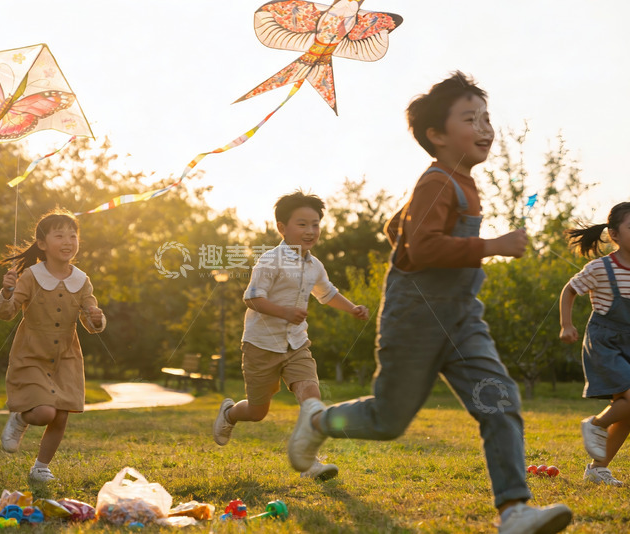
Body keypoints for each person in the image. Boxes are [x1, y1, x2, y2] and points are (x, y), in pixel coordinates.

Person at [286, 72, 572, 533]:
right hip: (415, 320)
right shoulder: (437, 181)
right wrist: (492, 245)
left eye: (486, 118)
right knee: (387, 420)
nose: (485, 128)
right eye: (469, 119)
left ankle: (514, 510)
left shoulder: (460, 183)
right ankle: (319, 422)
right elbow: (424, 250)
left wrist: (404, 230)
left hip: (462, 320)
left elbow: (400, 232)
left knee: (500, 401)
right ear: (437, 135)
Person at [212, 191, 370, 480]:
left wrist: (352, 308)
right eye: (302, 224)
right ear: (282, 227)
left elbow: (327, 293)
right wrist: (285, 312)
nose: (310, 231)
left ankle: (310, 462)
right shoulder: (270, 261)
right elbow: (253, 298)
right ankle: (230, 414)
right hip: (261, 344)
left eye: (316, 224)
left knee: (311, 395)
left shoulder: (315, 266)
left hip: (297, 343)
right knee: (258, 411)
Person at [0, 208, 105, 483]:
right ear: (43, 244)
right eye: (60, 235)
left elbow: (91, 318)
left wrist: (97, 318)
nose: (68, 241)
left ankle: (41, 467)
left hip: (66, 357)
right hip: (32, 354)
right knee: (44, 412)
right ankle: (21, 419)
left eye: (73, 235)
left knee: (61, 415)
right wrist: (7, 290)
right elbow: (6, 313)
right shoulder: (31, 276)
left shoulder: (81, 280)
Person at [559, 202, 630, 487]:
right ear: (614, 234)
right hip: (605, 343)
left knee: (627, 411)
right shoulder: (601, 268)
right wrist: (566, 324)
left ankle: (597, 469)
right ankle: (596, 424)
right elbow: (569, 290)